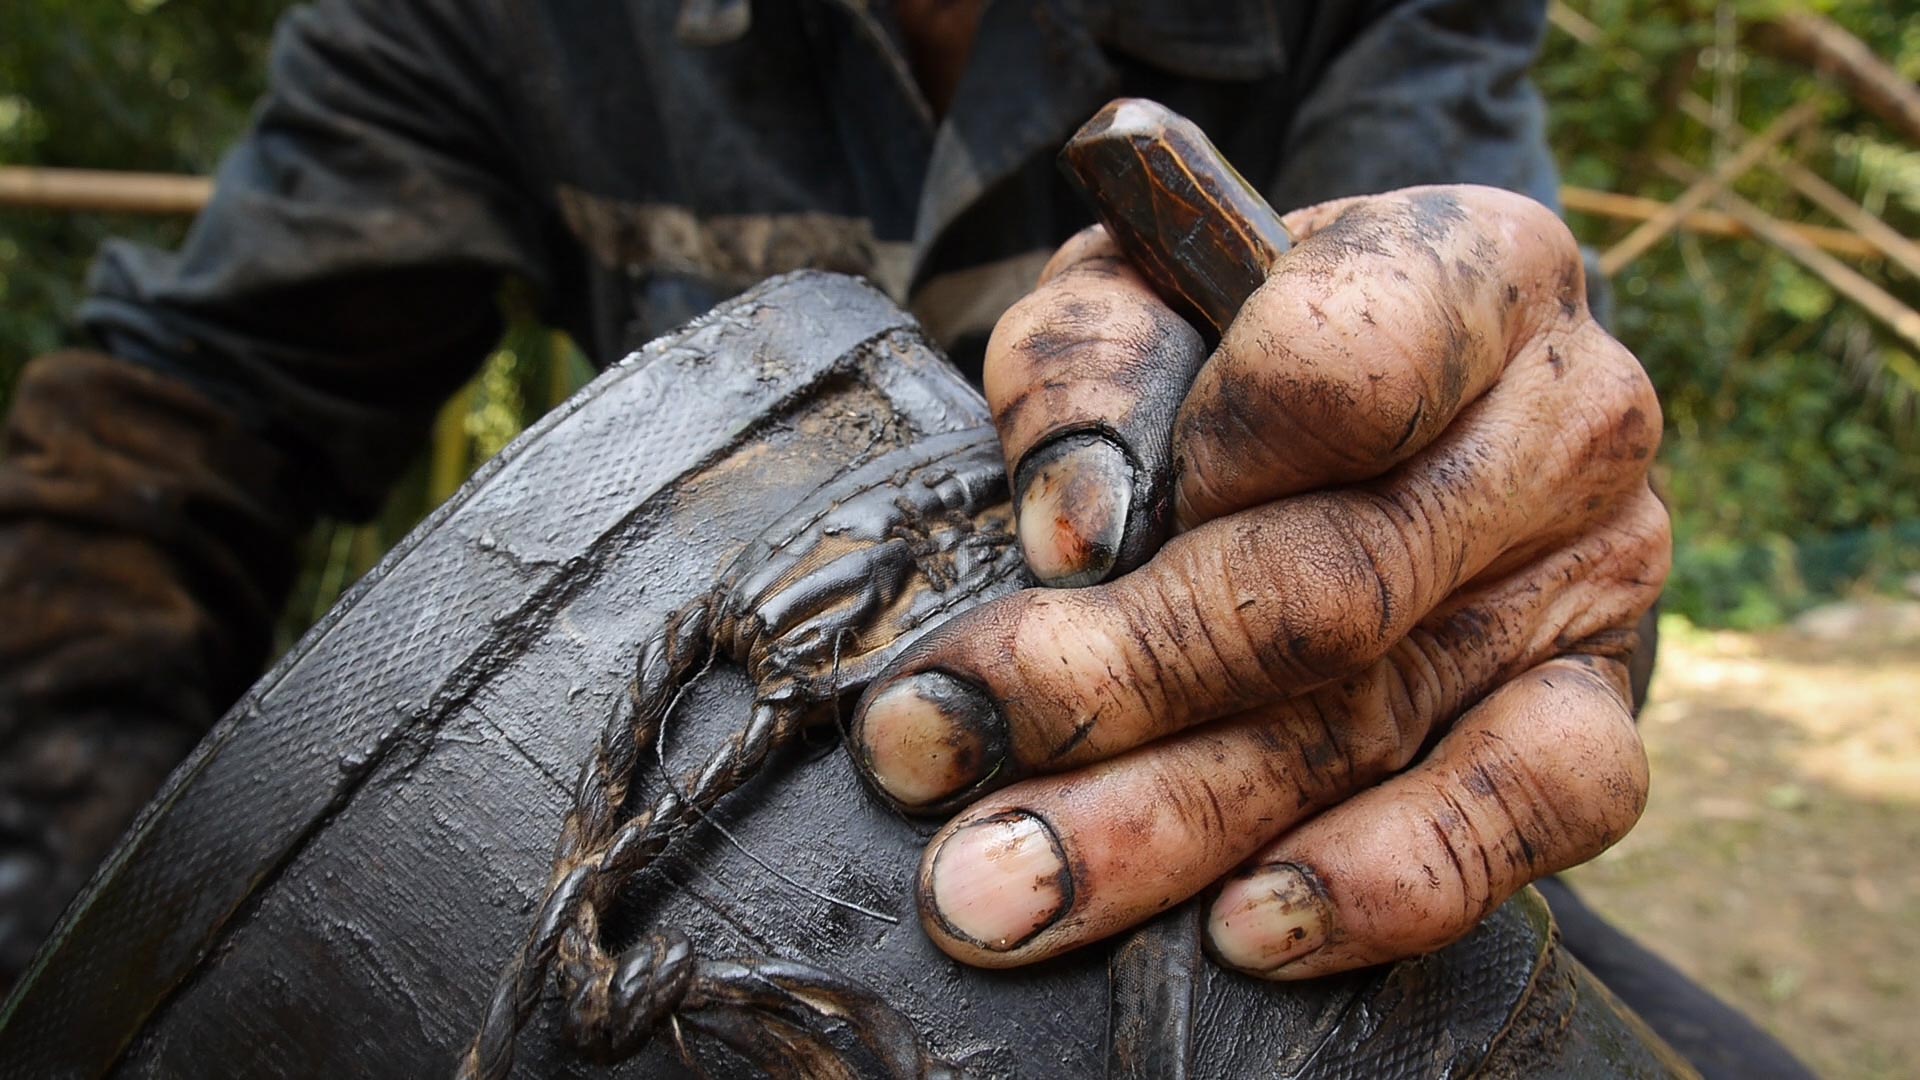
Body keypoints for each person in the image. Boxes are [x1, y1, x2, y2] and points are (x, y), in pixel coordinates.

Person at [0, 0, 1808, 1075]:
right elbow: (177, 431)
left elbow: (1511, 425)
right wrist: (108, 934)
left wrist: (1495, 528)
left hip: (1268, 868)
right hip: (625, 889)